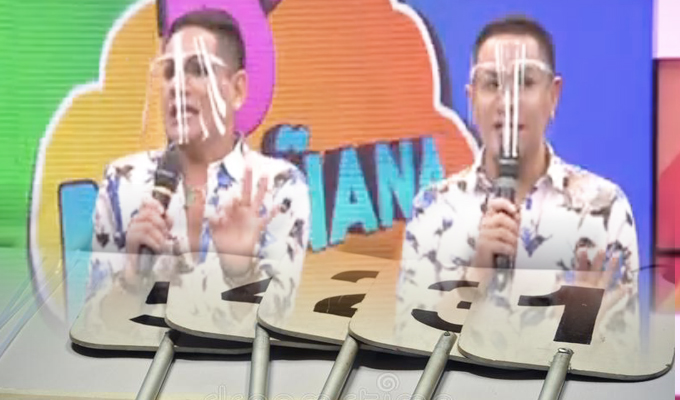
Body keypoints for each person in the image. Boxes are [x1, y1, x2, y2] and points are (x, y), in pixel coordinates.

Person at [397, 15, 639, 341]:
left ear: (553, 95)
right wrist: (475, 275)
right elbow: (409, 348)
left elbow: (622, 358)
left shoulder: (603, 209)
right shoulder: (433, 209)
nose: (507, 102)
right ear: (471, 99)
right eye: (492, 84)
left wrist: (578, 323)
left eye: (525, 82)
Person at [84, 8, 310, 325]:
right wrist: (132, 278)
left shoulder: (278, 186)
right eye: (169, 73)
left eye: (198, 70)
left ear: (238, 89)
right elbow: (95, 329)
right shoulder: (122, 184)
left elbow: (277, 327)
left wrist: (241, 272)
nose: (178, 86)